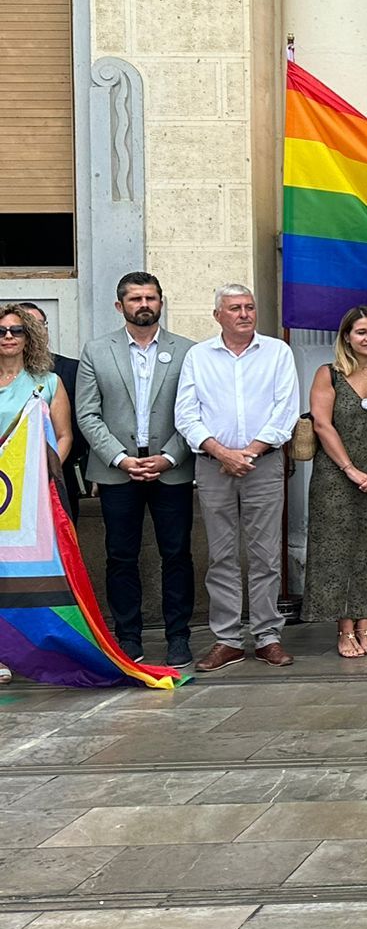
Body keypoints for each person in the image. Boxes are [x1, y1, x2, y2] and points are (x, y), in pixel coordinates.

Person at [173, 284, 299, 670]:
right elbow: (186, 414)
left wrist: (250, 452)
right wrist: (222, 453)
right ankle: (227, 639)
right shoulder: (198, 356)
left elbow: (286, 409)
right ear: (217, 316)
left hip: (264, 464)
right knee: (222, 554)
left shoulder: (277, 352)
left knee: (265, 555)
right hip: (214, 466)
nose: (244, 314)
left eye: (249, 307)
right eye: (234, 308)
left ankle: (267, 636)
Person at [74, 272, 195, 666]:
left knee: (176, 554)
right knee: (120, 555)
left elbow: (194, 413)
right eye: (135, 299)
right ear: (119, 305)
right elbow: (88, 414)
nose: (144, 305)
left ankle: (179, 636)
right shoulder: (96, 350)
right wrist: (121, 458)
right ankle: (128, 637)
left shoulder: (187, 351)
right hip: (117, 470)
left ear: (161, 302)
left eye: (151, 298)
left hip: (171, 469)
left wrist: (170, 456)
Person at [304, 305, 367, 656]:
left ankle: (366, 627)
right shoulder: (328, 374)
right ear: (347, 336)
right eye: (361, 332)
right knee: (337, 553)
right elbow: (322, 424)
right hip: (336, 477)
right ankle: (345, 632)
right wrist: (350, 469)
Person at [19, 302, 82, 517]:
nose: (31, 332)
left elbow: (76, 426)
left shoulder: (71, 370)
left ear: (46, 329)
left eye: (37, 325)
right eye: (23, 326)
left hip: (57, 475)